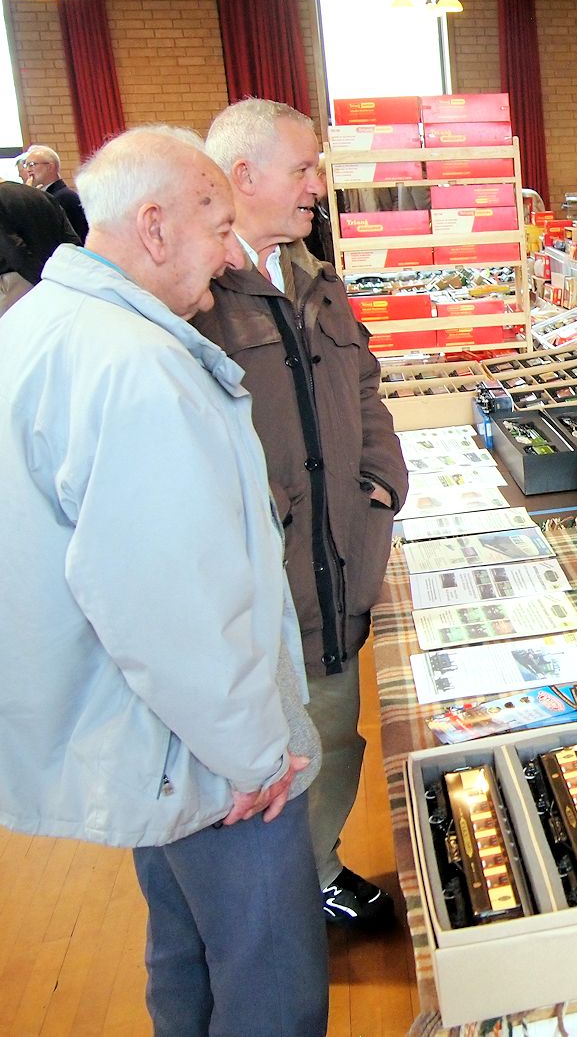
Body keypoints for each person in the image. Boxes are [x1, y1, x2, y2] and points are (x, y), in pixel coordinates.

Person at [0, 125, 328, 1035]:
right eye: (218, 228)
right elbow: (168, 599)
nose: (229, 257)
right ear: (153, 225)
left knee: (184, 959)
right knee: (272, 986)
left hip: (142, 740)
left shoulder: (45, 324)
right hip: (212, 761)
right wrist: (256, 752)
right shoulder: (136, 365)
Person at [194, 98, 408, 928]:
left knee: (333, 728)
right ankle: (274, 903)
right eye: (304, 168)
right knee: (265, 752)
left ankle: (315, 873)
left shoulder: (318, 279)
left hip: (336, 559)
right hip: (260, 581)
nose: (318, 185)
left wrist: (380, 479)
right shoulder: (199, 297)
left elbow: (365, 386)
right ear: (245, 175)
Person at [0, 177, 80, 315]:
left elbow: (14, 250)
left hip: (17, 287)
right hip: (58, 280)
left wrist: (41, 281)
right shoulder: (44, 195)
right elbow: (72, 241)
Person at [20, 143, 88, 241]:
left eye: (32, 164)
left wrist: (28, 197)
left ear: (50, 167)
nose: (28, 170)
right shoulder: (45, 195)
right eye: (26, 165)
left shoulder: (64, 197)